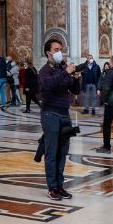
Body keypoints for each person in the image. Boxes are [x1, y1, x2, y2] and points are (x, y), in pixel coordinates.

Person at [36, 39, 77, 201]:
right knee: (52, 152)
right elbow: (48, 85)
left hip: (64, 114)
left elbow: (74, 89)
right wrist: (66, 72)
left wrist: (76, 77)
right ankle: (52, 187)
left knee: (63, 152)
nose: (60, 51)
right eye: (56, 49)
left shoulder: (62, 68)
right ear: (49, 53)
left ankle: (60, 185)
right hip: (50, 114)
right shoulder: (44, 71)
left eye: (61, 48)